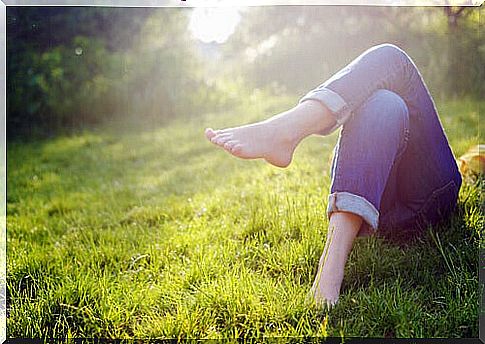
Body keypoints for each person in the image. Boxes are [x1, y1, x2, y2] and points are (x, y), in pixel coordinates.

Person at [204, 44, 462, 308]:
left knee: (393, 59)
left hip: (431, 196)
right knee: (384, 103)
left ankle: (285, 130)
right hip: (378, 206)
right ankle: (329, 270)